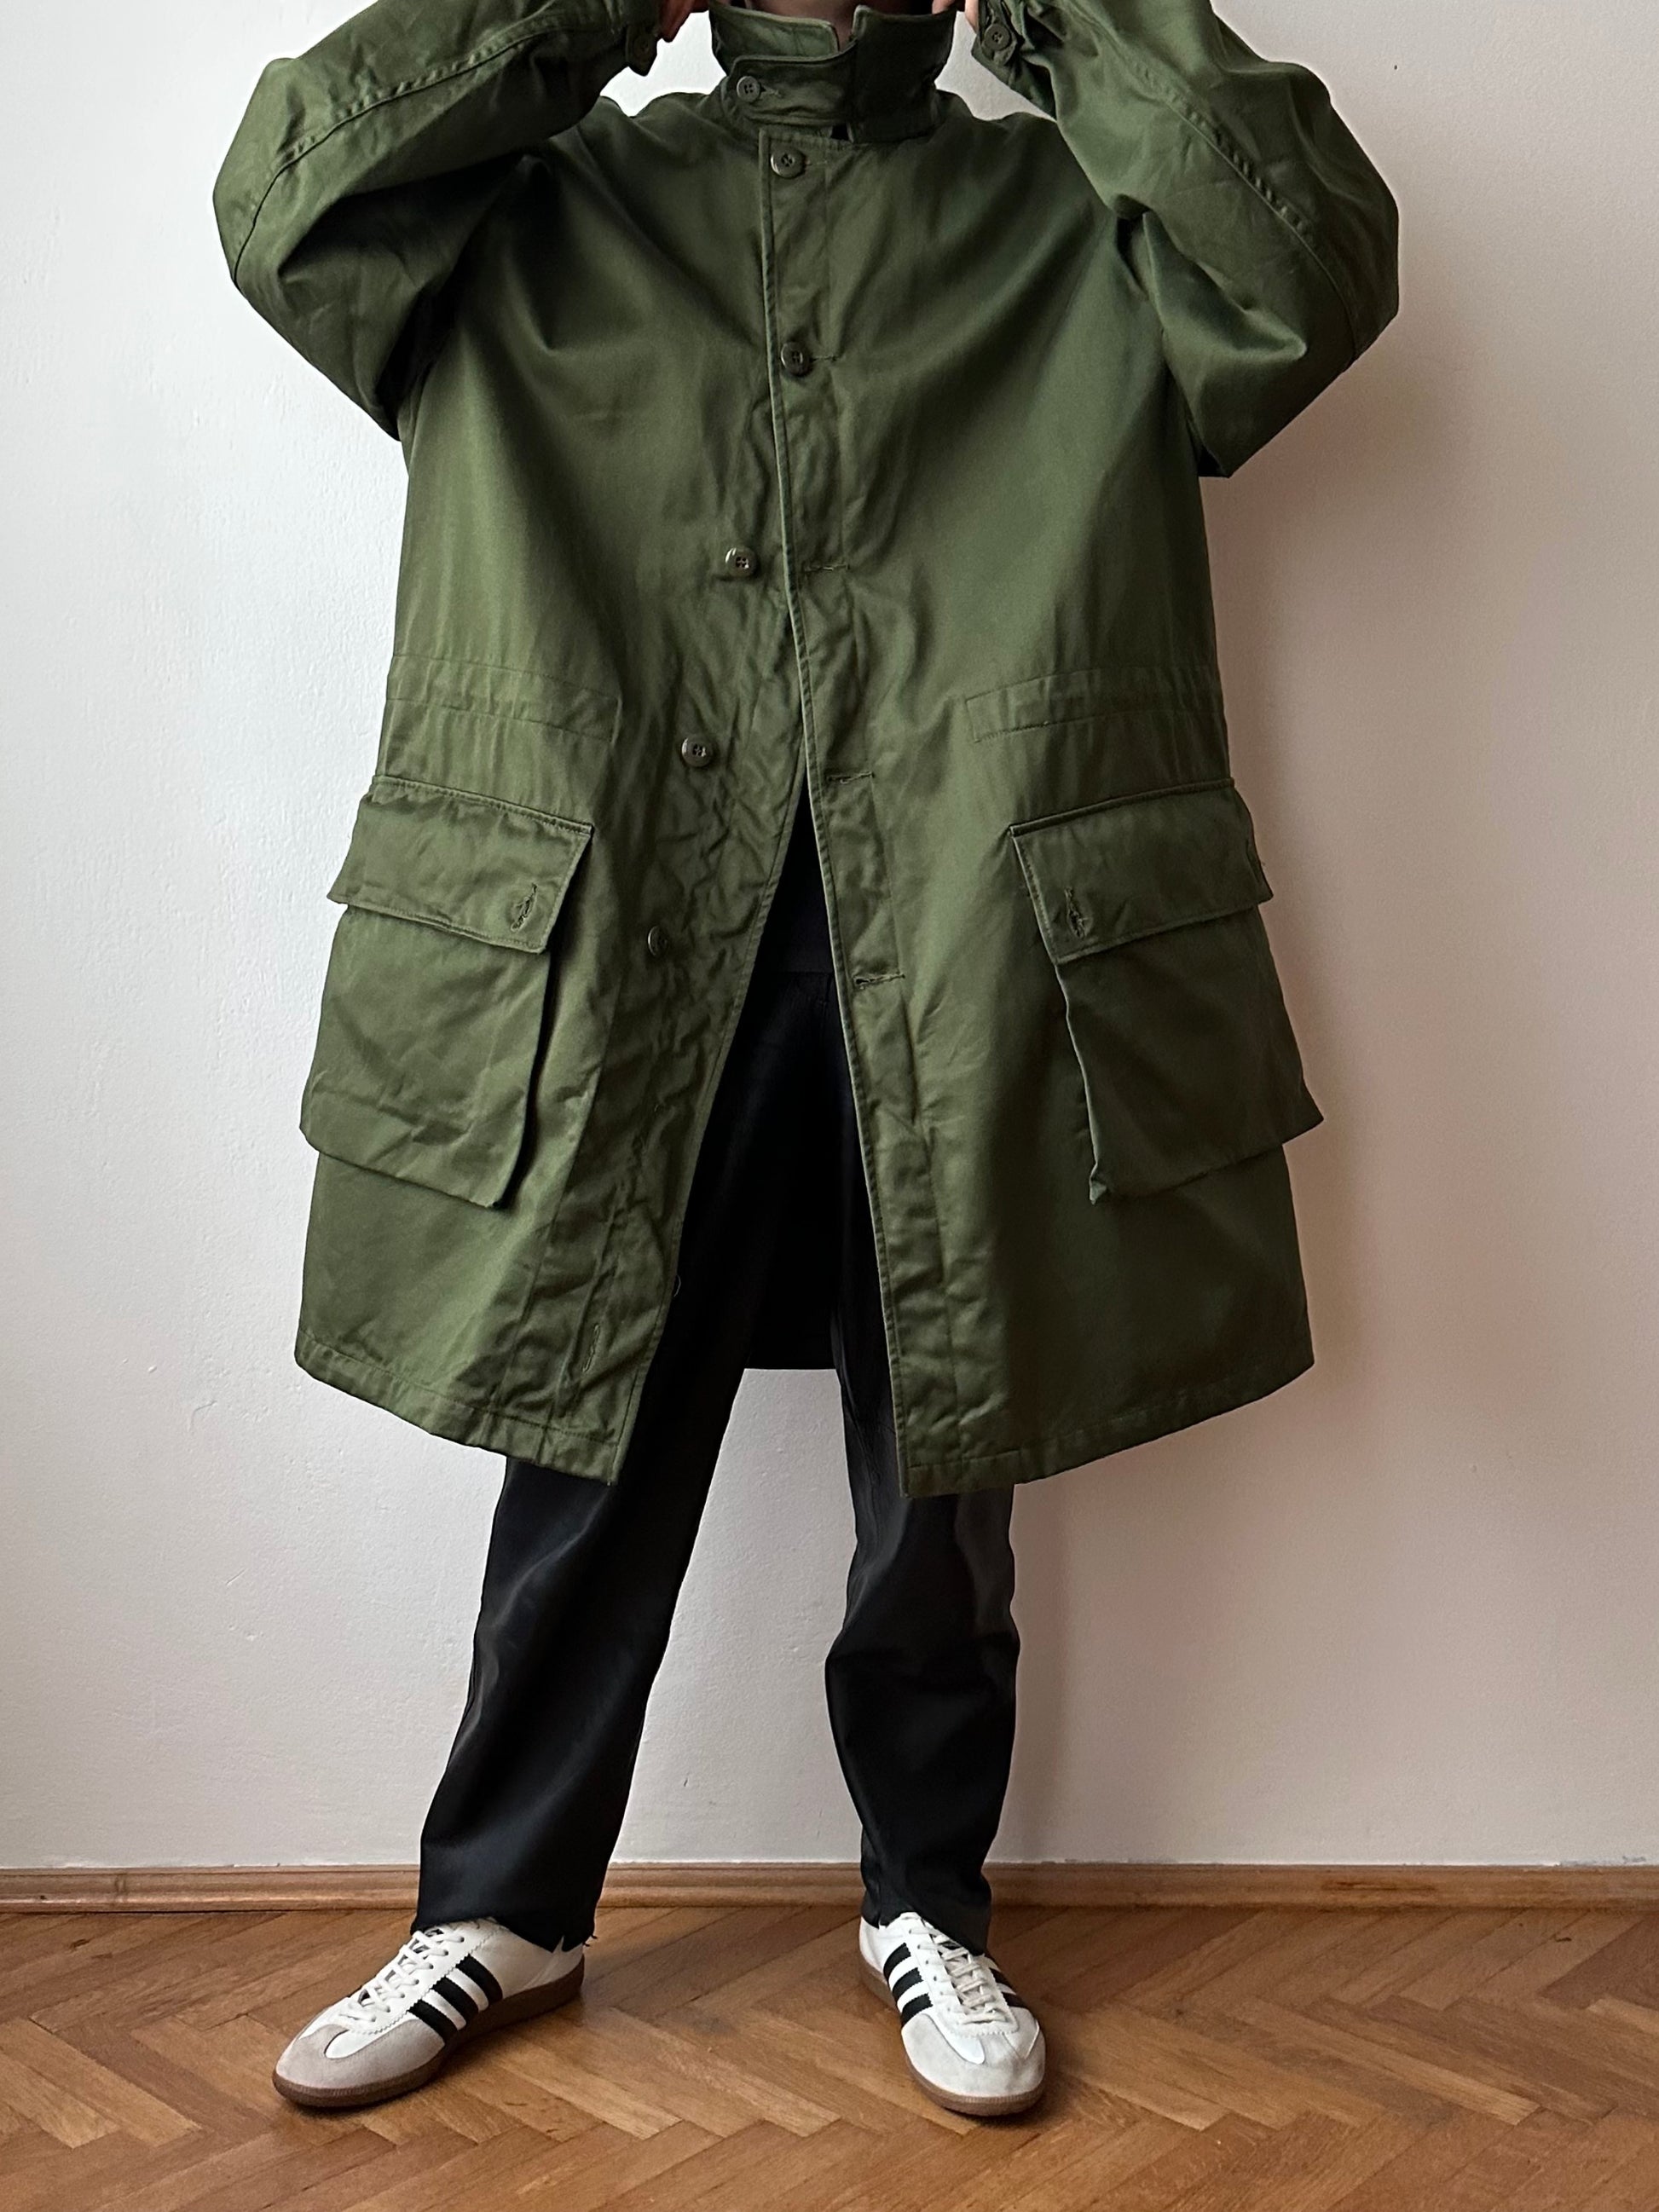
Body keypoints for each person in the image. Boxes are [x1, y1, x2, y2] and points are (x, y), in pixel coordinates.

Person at [212, 0, 1397, 2123]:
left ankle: (926, 1892)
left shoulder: (1069, 220)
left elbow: (1304, 270)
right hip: (621, 942)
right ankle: (498, 1902)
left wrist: (1063, 12)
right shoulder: (524, 218)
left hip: (964, 932)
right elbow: (286, 199)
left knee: (946, 1458)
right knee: (578, 1430)